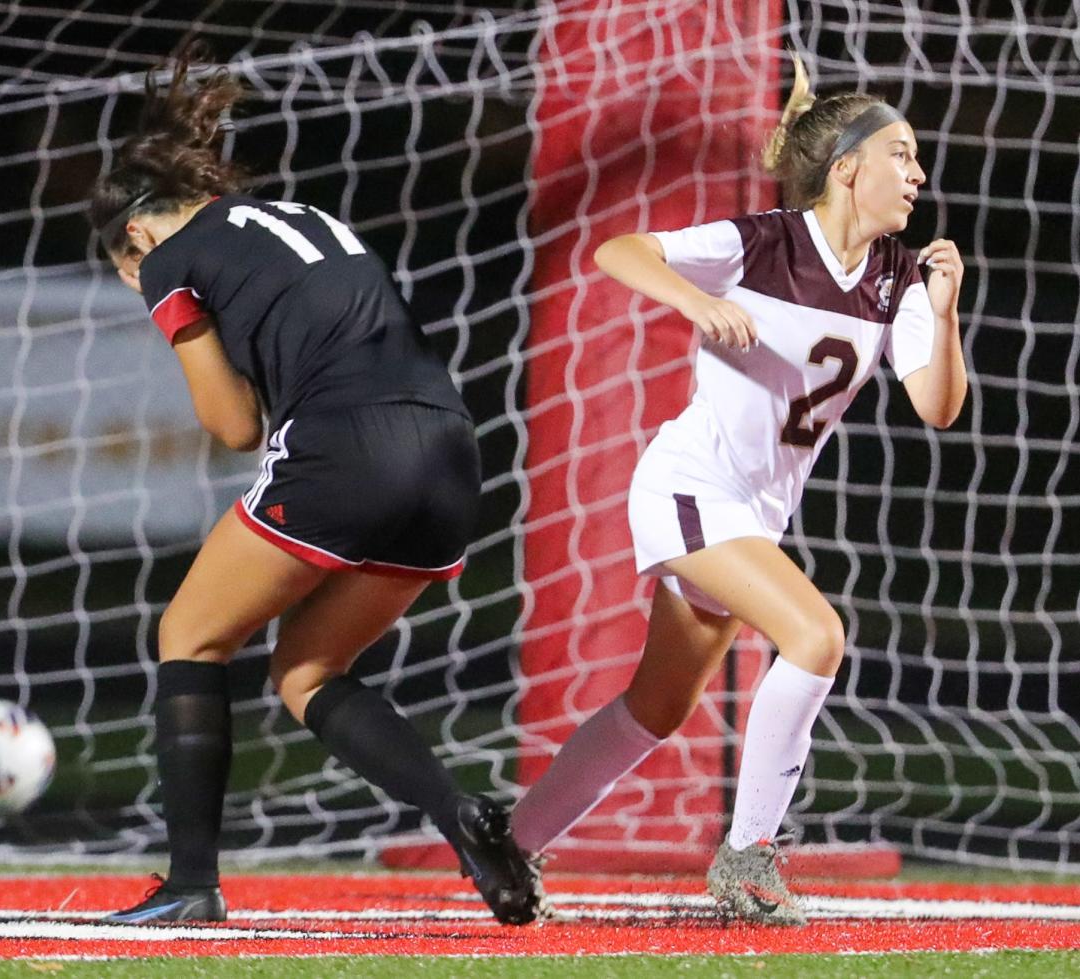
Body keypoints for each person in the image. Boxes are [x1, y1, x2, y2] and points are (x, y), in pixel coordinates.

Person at [508, 54, 967, 926]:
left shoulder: (901, 277)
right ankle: (748, 859)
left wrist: (943, 317)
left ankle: (511, 837)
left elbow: (936, 406)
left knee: (657, 705)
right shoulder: (762, 242)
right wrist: (689, 299)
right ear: (845, 169)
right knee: (814, 632)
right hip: (690, 486)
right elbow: (618, 248)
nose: (916, 173)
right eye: (899, 154)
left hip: (753, 513)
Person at [91, 50, 541, 926]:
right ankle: (465, 817)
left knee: (188, 632)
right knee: (308, 667)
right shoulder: (292, 216)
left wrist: (171, 310)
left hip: (343, 447)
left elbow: (232, 426)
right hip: (449, 449)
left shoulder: (162, 258)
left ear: (135, 236)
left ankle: (190, 884)